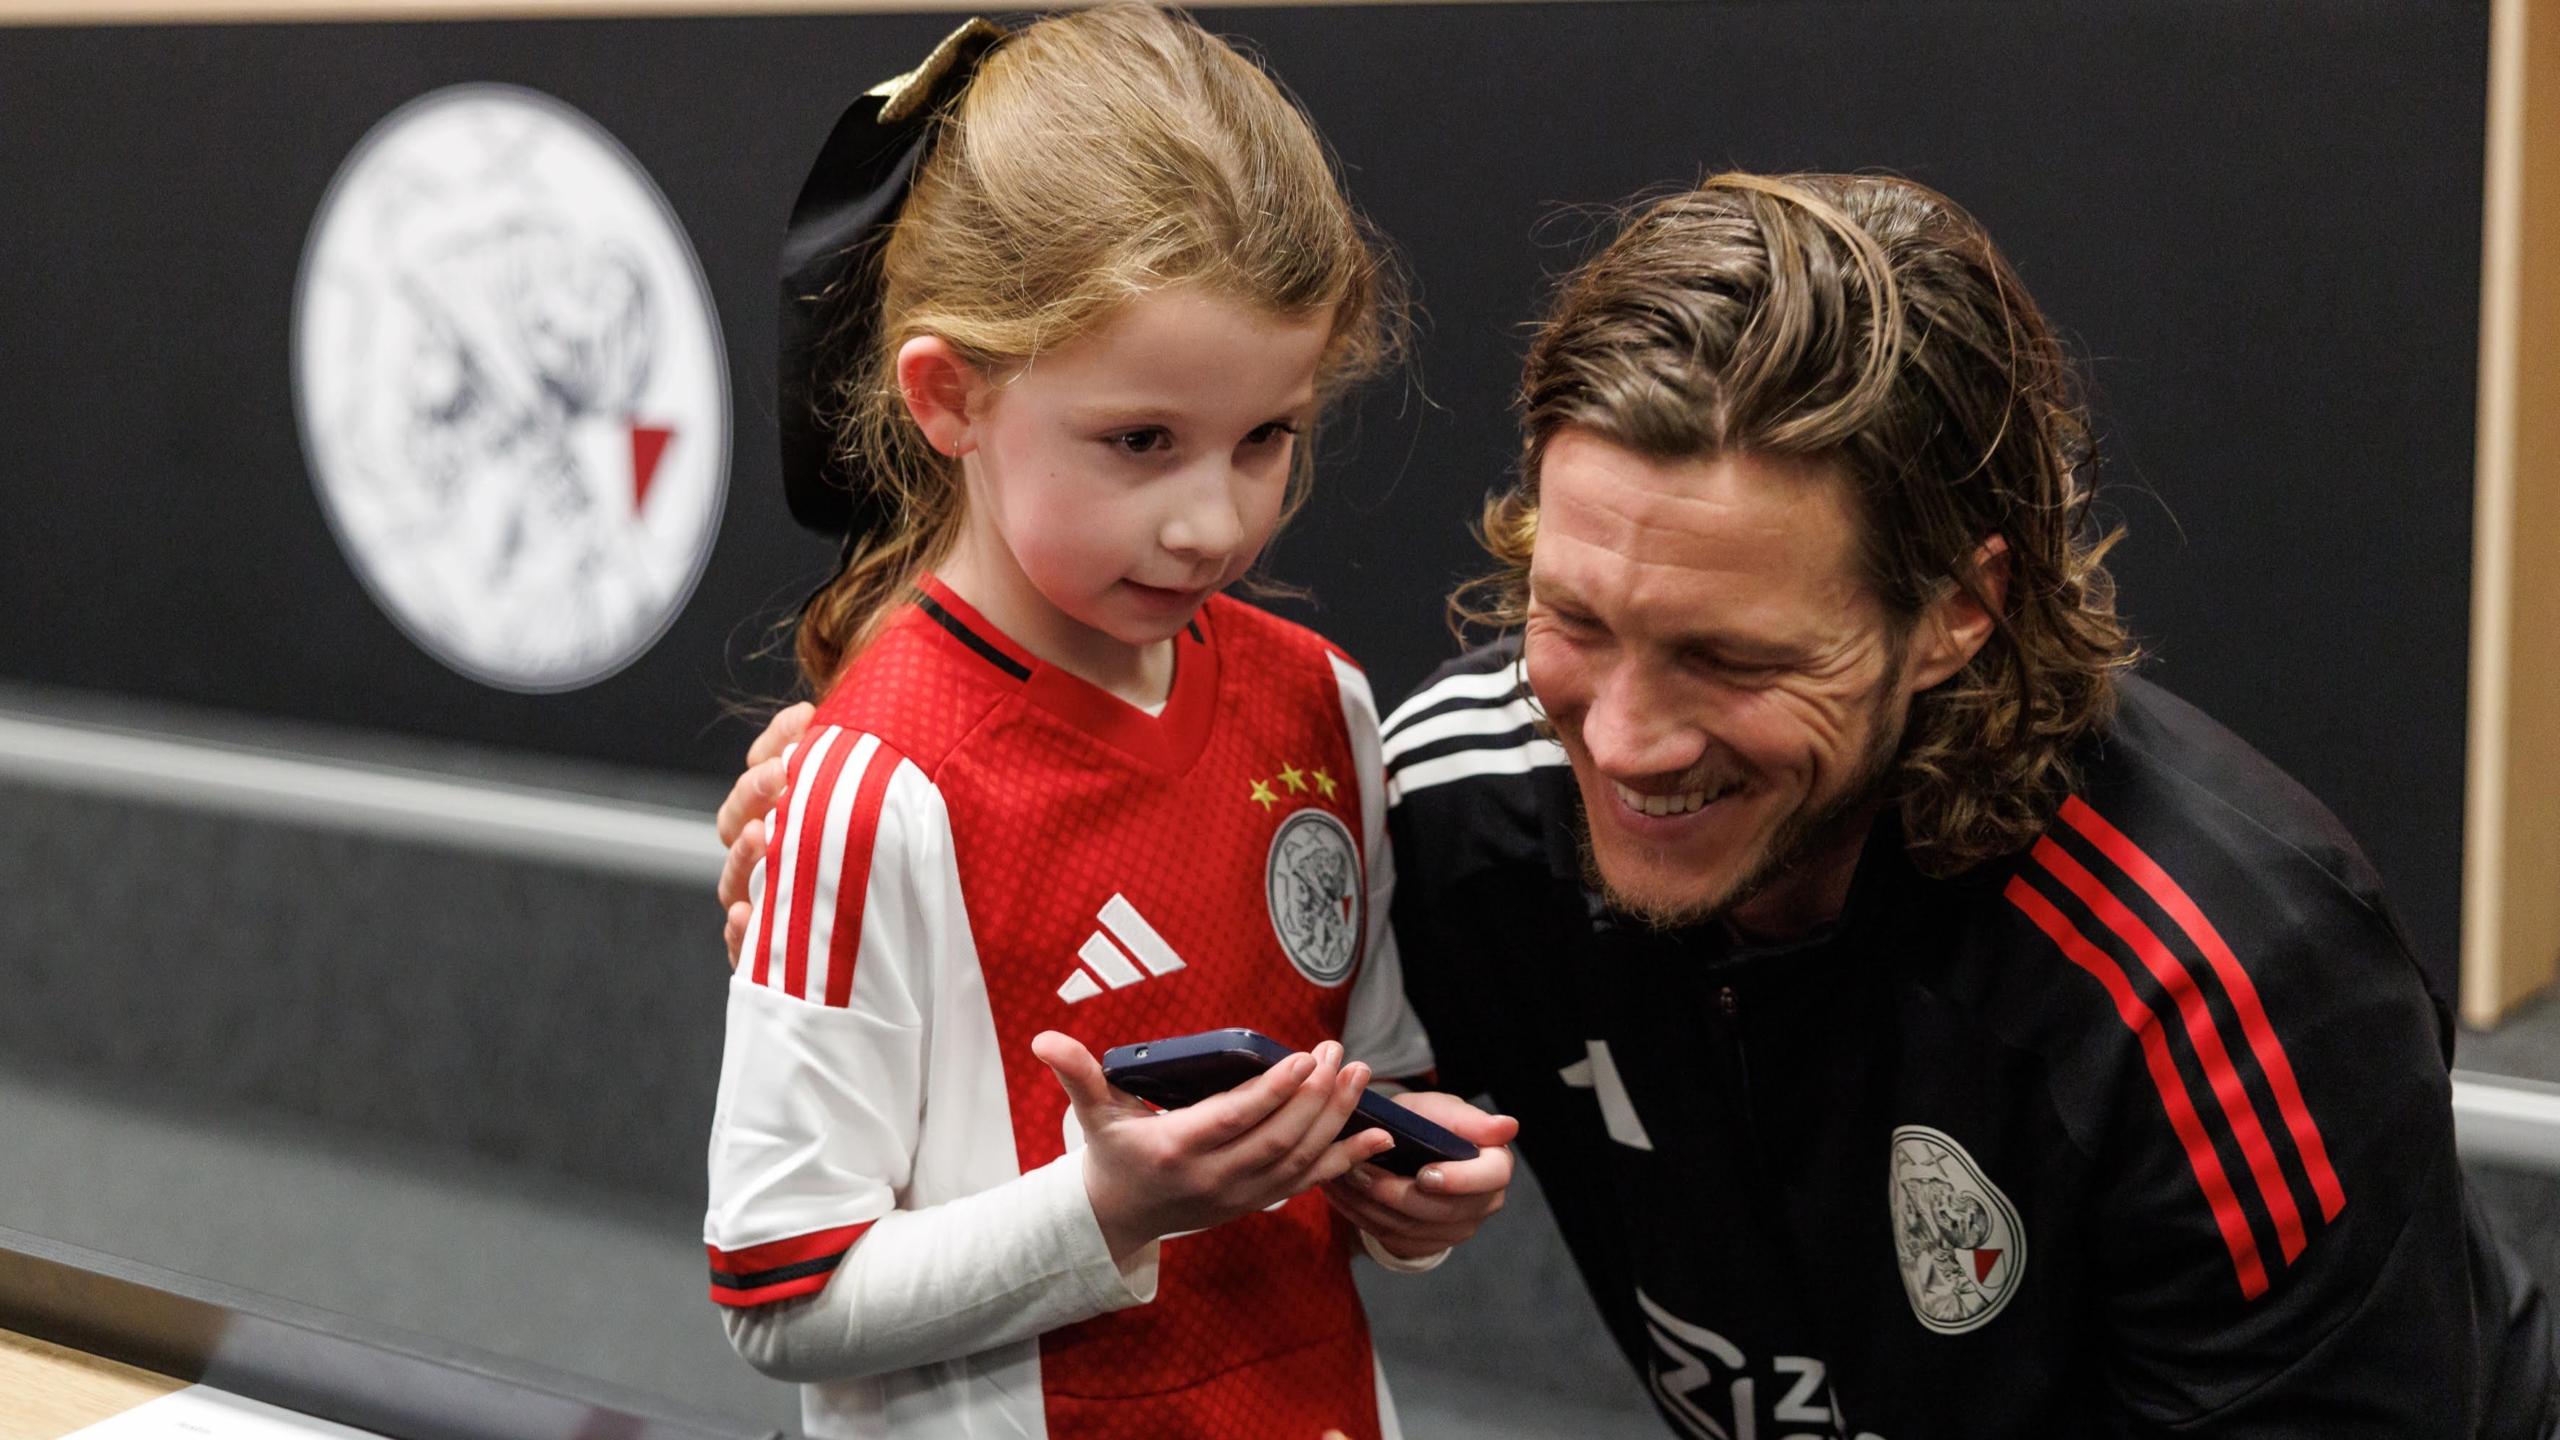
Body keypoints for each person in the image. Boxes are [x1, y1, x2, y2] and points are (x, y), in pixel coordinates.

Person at [727, 169, 2560, 1436]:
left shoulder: (2221, 985)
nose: (1623, 738)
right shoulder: (1458, 810)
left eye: (1734, 661)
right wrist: (847, 826)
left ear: (1960, 615)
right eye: (1576, 620)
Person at [701, 10, 1513, 1440]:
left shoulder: (1318, 700)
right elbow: (779, 1291)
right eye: (1140, 442)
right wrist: (1107, 1209)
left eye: (1268, 438)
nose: (1214, 521)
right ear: (950, 398)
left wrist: (1413, 1185)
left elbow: (1377, 1088)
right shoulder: (867, 787)